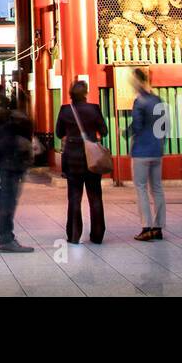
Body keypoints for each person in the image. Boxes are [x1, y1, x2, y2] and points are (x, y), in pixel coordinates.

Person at [54, 80, 108, 244]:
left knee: (74, 197)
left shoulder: (65, 110)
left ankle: (74, 234)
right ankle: (97, 234)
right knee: (95, 197)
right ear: (85, 93)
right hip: (92, 158)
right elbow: (104, 131)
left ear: (71, 94)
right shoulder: (94, 109)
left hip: (73, 158)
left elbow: (58, 133)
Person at [0, 88, 35, 252]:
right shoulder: (18, 118)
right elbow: (26, 139)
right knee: (9, 198)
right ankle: (6, 238)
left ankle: (3, 234)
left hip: (2, 161)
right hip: (13, 162)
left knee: (5, 194)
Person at [128, 67, 166, 241]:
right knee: (157, 188)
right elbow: (164, 125)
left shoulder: (139, 101)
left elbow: (136, 125)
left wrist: (125, 132)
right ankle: (159, 227)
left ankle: (146, 226)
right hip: (157, 149)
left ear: (137, 81)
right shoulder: (157, 99)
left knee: (141, 188)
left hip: (142, 151)